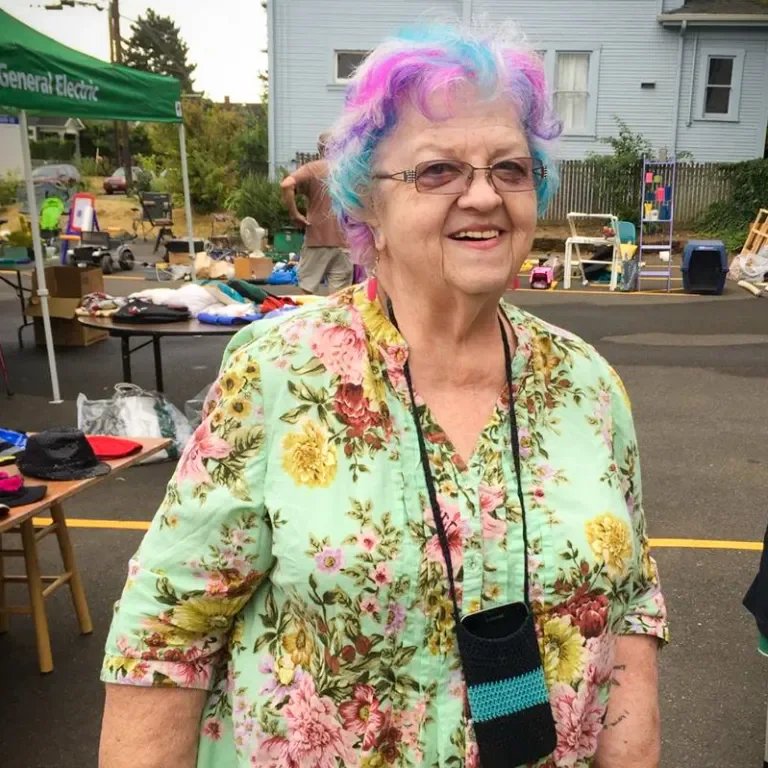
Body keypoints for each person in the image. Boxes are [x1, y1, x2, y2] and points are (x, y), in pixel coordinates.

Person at [99, 23, 668, 768]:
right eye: (437, 172)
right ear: (366, 201)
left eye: (511, 168)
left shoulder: (587, 384)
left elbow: (628, 617)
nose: (483, 196)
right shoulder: (278, 375)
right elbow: (166, 638)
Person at [280, 132, 354, 294]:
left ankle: (308, 320)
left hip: (317, 239)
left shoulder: (312, 168)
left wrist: (295, 214)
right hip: (344, 241)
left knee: (307, 292)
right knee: (339, 299)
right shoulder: (348, 170)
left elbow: (286, 185)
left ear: (319, 148)